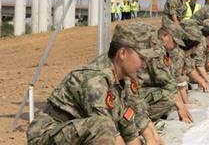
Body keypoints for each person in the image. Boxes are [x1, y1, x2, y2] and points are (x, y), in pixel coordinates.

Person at [27, 24, 163, 145]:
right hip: (46, 135)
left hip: (74, 135)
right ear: (122, 53)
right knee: (103, 127)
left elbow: (130, 130)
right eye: (142, 58)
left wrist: (152, 139)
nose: (145, 65)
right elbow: (111, 136)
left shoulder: (123, 79)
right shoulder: (95, 80)